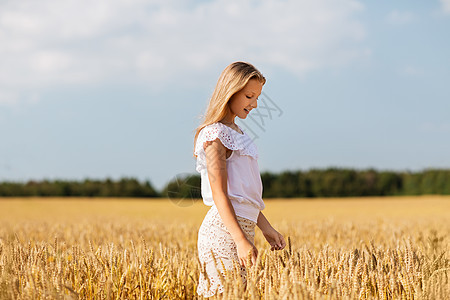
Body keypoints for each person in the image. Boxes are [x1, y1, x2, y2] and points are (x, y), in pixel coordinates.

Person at [193, 61, 286, 297]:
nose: (254, 104)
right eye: (249, 96)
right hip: (224, 233)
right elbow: (220, 194)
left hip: (243, 231)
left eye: (257, 98)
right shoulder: (214, 135)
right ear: (231, 91)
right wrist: (239, 239)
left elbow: (243, 197)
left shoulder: (240, 135)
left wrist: (266, 228)